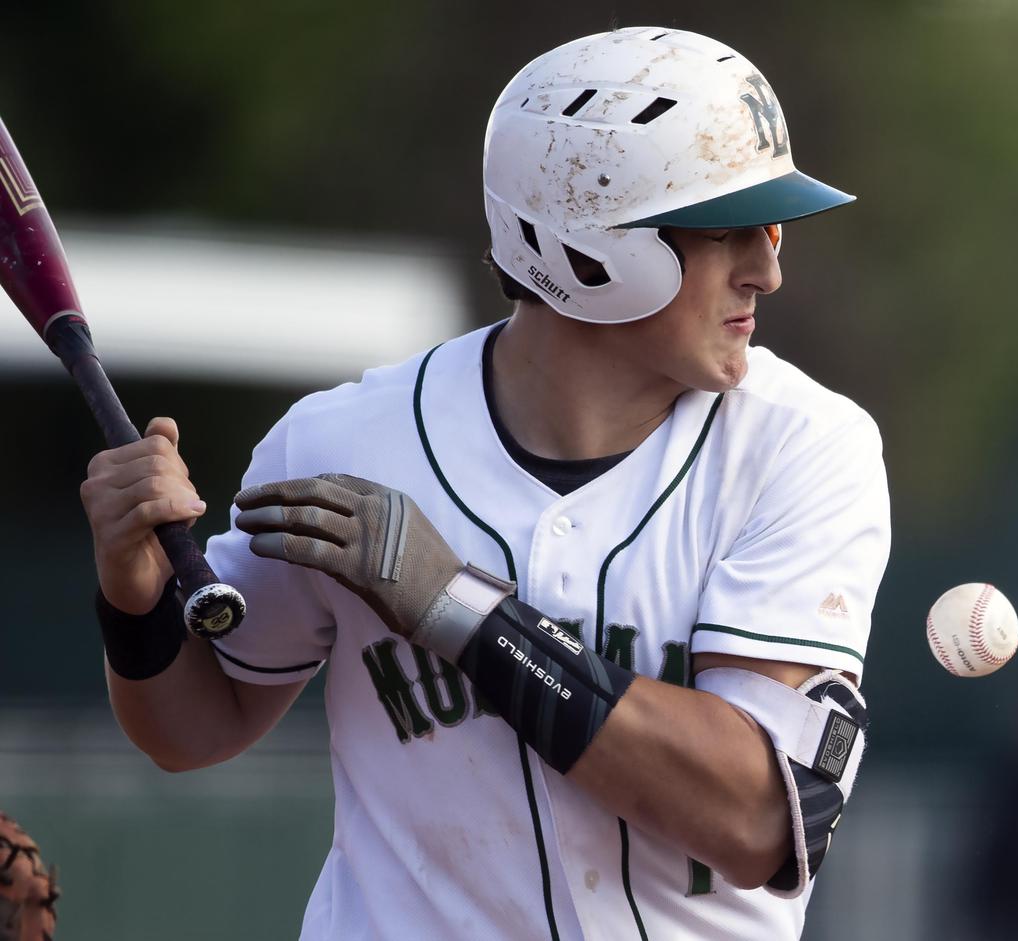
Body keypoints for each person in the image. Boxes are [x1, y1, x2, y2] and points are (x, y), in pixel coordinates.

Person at [80, 26, 890, 940]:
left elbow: (759, 816)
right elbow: (193, 727)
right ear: (594, 246)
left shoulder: (802, 446)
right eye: (728, 228)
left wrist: (455, 607)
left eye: (773, 226)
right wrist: (135, 593)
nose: (769, 268)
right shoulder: (341, 442)